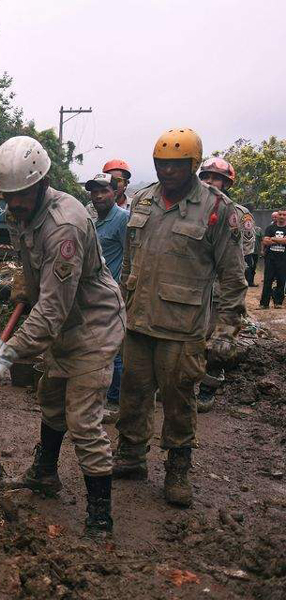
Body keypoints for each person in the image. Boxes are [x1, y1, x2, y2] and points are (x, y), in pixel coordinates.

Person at [0, 136, 124, 536]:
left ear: (41, 183)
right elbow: (27, 265)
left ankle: (100, 512)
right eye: (6, 197)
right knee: (51, 397)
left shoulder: (65, 225)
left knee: (83, 418)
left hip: (93, 324)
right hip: (60, 322)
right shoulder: (17, 213)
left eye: (21, 195)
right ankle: (45, 473)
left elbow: (51, 312)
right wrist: (21, 283)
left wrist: (3, 356)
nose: (13, 205)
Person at [113, 128, 246, 508]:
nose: (167, 172)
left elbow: (233, 278)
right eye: (161, 164)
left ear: (192, 165)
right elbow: (129, 260)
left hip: (183, 329)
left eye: (176, 165)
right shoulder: (142, 201)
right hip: (138, 321)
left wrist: (225, 330)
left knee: (179, 401)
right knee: (133, 395)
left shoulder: (218, 209)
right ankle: (131, 456)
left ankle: (177, 469)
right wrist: (121, 305)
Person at [196, 157, 252, 411]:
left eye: (215, 177)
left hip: (222, 288)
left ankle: (208, 389)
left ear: (227, 183)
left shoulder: (237, 214)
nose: (210, 182)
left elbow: (244, 252)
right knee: (191, 339)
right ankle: (182, 386)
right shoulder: (191, 209)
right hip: (195, 286)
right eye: (205, 177)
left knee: (218, 343)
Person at [84, 173, 129, 412]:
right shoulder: (91, 219)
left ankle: (115, 401)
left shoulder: (122, 220)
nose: (99, 196)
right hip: (93, 294)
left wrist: (124, 290)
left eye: (104, 191)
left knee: (115, 350)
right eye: (94, 192)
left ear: (115, 193)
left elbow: (131, 256)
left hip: (113, 295)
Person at [260, 210, 286, 309]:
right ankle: (264, 304)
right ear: (277, 216)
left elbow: (285, 241)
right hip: (270, 259)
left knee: (281, 281)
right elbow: (265, 242)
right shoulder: (270, 228)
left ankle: (278, 303)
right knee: (267, 280)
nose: (282, 216)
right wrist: (281, 240)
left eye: (284, 215)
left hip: (283, 259)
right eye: (280, 214)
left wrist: (273, 239)